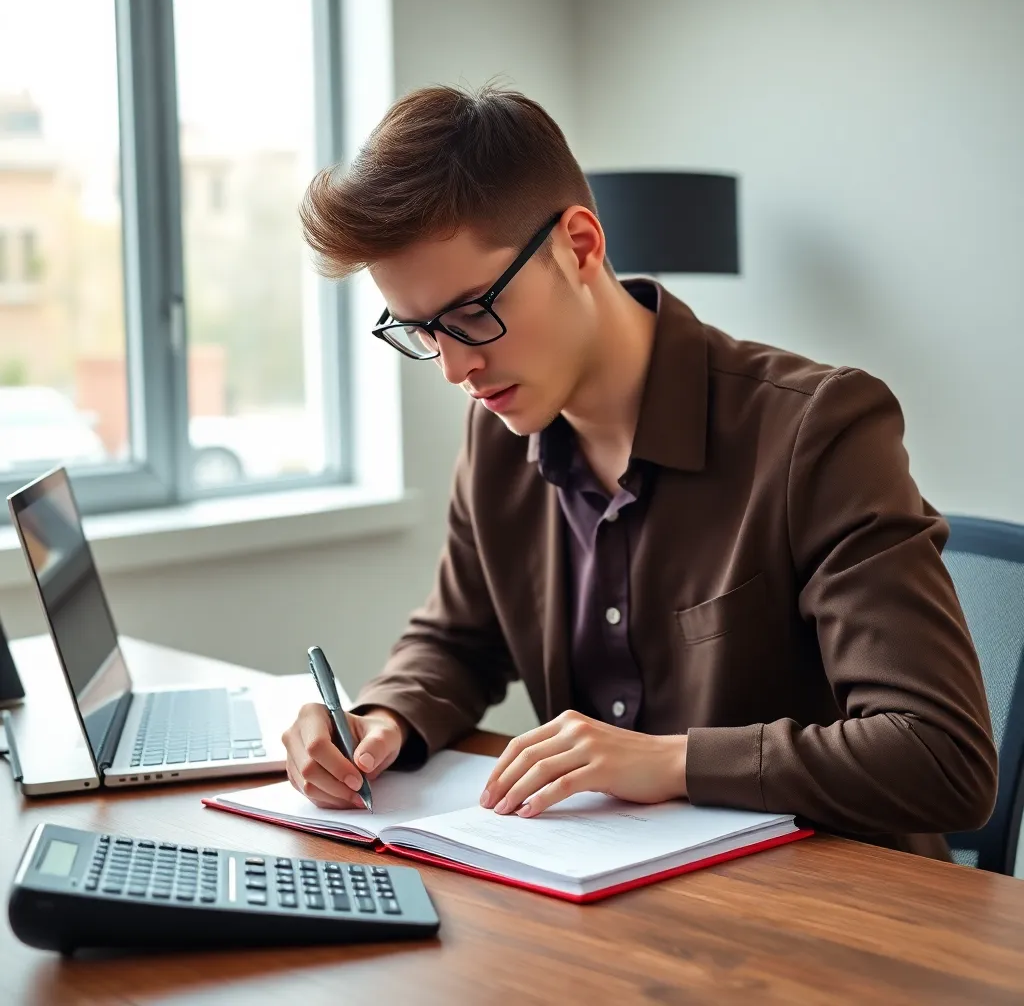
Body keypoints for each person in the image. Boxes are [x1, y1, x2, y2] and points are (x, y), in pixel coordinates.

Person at [282, 84, 996, 859]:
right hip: (614, 908)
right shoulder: (497, 439)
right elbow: (457, 639)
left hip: (834, 915)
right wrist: (382, 721)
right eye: (421, 331)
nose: (456, 366)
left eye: (470, 314)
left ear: (580, 244)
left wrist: (670, 761)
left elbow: (940, 754)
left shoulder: (817, 430)